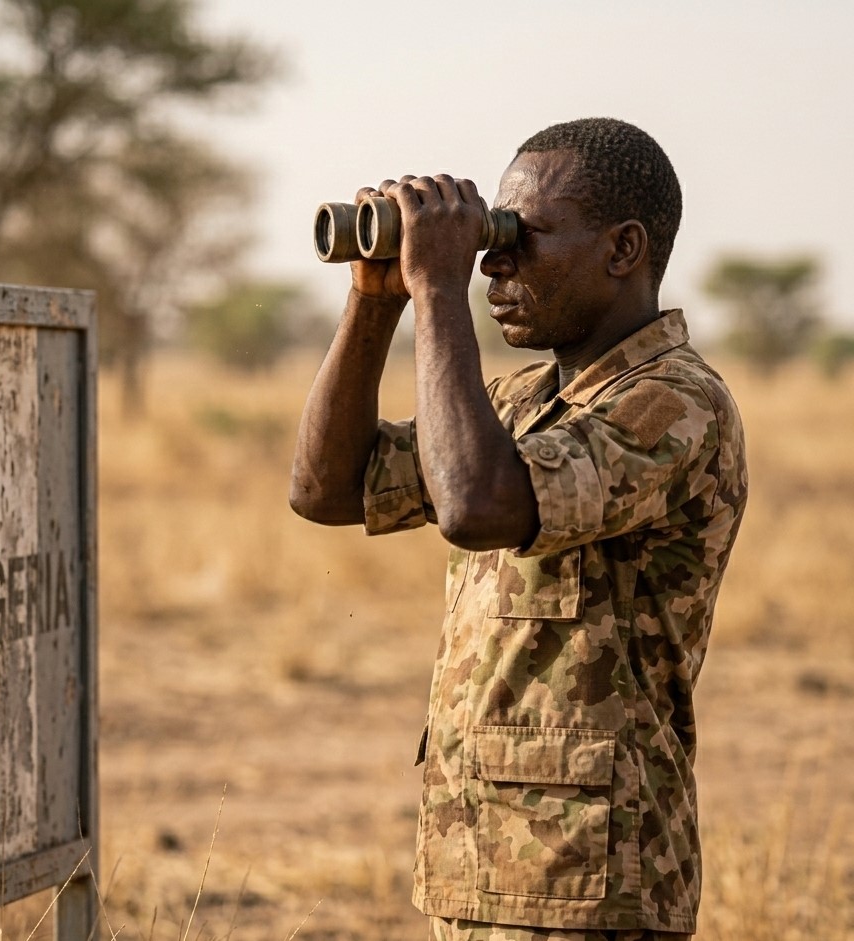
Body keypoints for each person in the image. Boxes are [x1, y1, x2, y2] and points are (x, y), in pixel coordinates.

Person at [289, 117, 747, 941]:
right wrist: (374, 297)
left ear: (622, 248)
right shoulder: (518, 400)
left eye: (521, 236)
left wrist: (436, 290)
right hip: (483, 858)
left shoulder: (675, 401)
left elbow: (476, 507)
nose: (492, 261)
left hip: (593, 878)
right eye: (489, 236)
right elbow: (327, 488)